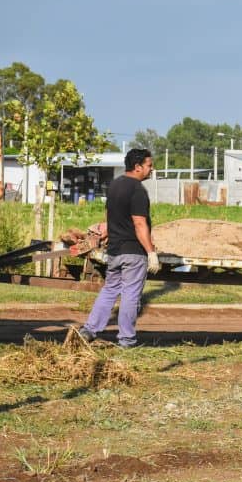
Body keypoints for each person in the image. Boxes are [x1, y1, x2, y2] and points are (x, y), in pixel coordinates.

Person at [78, 149, 160, 349]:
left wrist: (106, 234)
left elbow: (109, 216)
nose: (152, 169)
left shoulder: (114, 186)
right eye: (149, 165)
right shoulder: (138, 190)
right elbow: (140, 224)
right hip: (133, 251)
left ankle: (89, 330)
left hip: (114, 251)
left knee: (109, 291)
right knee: (131, 295)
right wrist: (151, 252)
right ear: (138, 167)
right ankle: (126, 340)